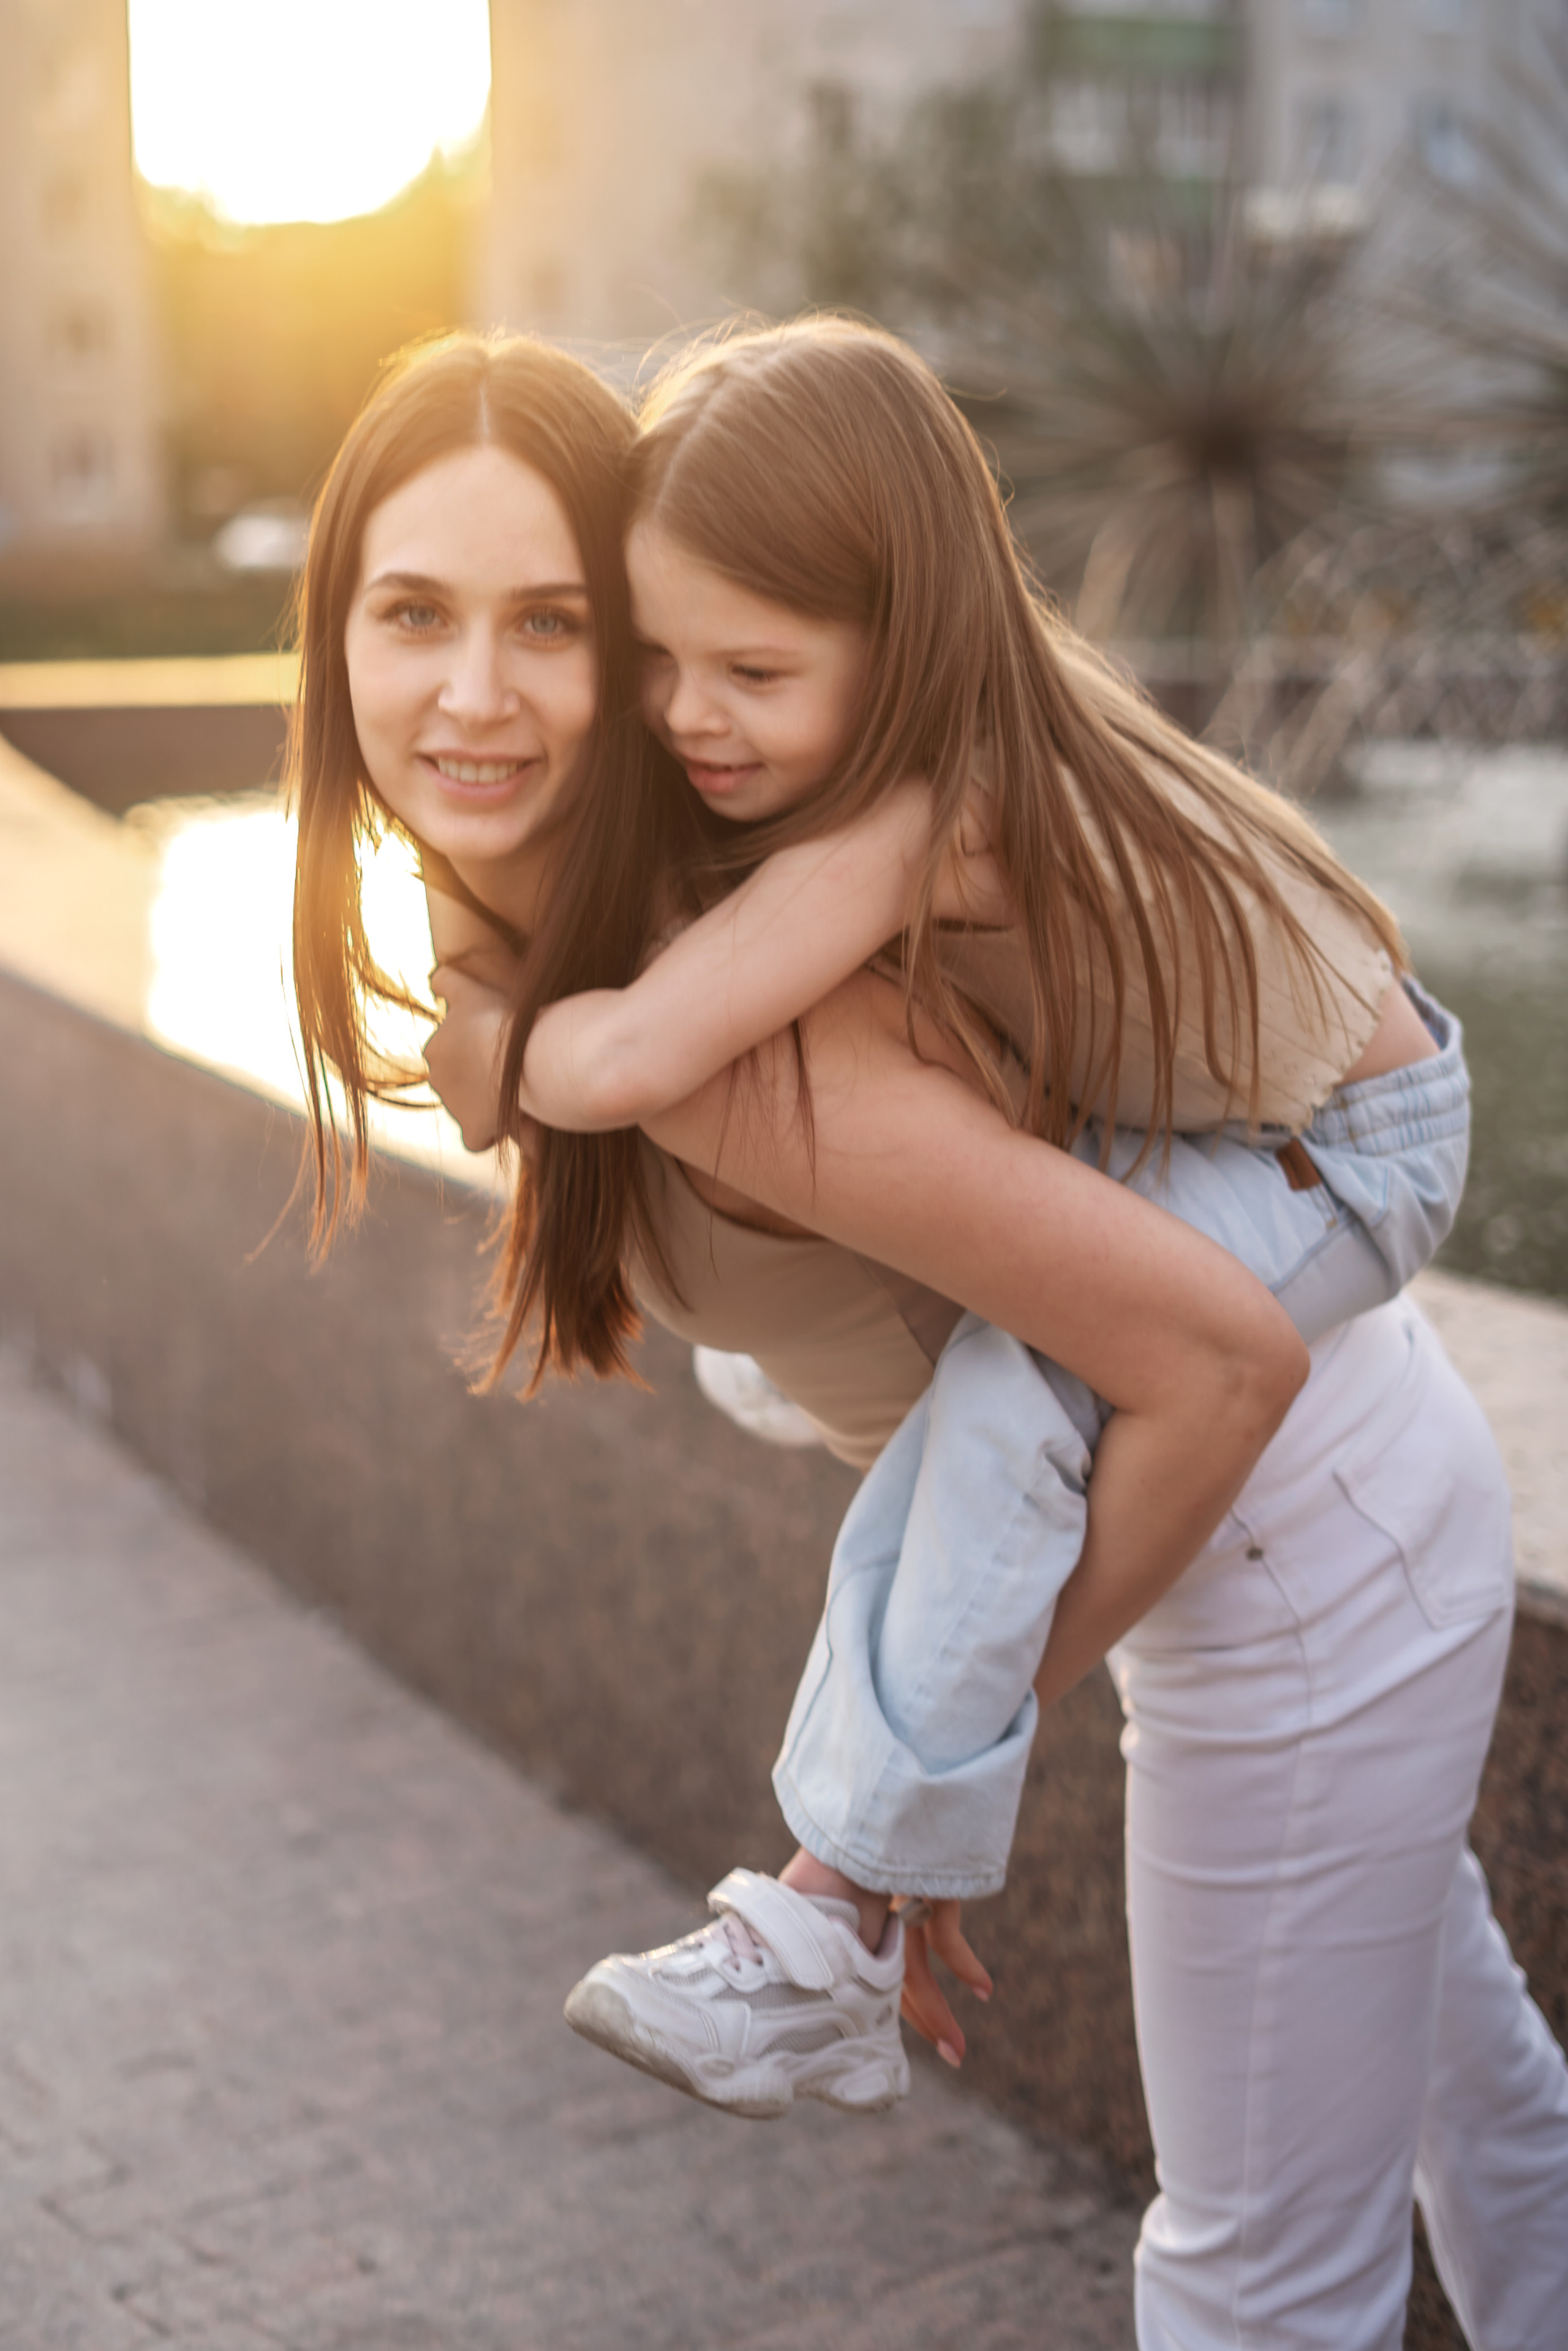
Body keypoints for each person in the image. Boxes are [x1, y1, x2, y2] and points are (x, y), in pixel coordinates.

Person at [291, 328, 1568, 2347]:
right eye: (411, 614)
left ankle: (832, 1904)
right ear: (326, 641)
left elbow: (1219, 1365)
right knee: (1491, 2127)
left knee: (1257, 2285)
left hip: (1290, 1556)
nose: (477, 692)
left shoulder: (757, 1021)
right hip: (1273, 1508)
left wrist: (935, 1753)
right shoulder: (564, 929)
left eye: (552, 621)